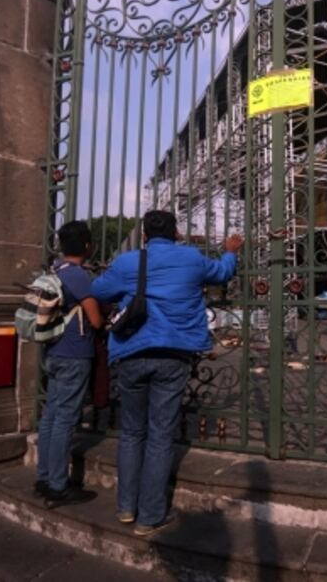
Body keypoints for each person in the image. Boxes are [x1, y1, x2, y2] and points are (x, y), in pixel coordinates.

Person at [92, 210, 242, 536]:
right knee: (160, 434)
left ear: (144, 235)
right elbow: (222, 273)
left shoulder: (127, 262)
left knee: (132, 432)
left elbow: (98, 291)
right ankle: (151, 516)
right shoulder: (191, 258)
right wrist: (232, 250)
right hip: (174, 354)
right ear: (176, 232)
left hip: (132, 352)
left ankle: (126, 508)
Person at [35, 220, 104, 509]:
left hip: (53, 352)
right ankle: (59, 486)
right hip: (75, 354)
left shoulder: (54, 271)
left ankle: (45, 476)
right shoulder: (78, 277)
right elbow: (96, 319)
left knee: (51, 416)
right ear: (87, 246)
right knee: (65, 419)